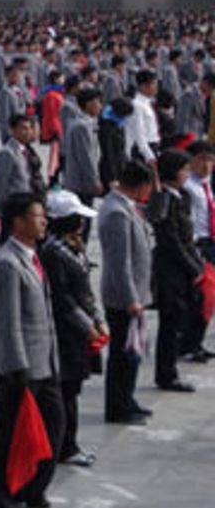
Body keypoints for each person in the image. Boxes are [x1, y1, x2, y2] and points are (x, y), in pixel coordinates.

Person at [0, 193, 62, 508]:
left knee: (53, 425)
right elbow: (8, 322)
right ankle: (0, 496)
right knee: (9, 434)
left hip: (45, 362)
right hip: (23, 366)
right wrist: (18, 367)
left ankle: (32, 487)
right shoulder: (7, 263)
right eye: (37, 215)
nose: (44, 221)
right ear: (17, 221)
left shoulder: (32, 256)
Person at [41, 190, 107, 466]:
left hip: (79, 330)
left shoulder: (71, 247)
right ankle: (64, 446)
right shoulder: (53, 254)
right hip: (66, 333)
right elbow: (63, 298)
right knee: (66, 390)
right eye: (77, 218)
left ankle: (67, 442)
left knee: (72, 389)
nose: (82, 223)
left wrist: (98, 318)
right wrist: (87, 325)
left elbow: (85, 291)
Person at [97, 163, 156, 424]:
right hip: (123, 297)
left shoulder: (126, 207)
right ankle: (117, 406)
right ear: (140, 186)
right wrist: (131, 298)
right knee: (122, 355)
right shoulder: (116, 213)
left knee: (131, 353)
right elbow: (120, 262)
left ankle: (128, 399)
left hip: (136, 293)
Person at [146, 149, 201, 394]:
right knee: (170, 323)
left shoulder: (181, 196)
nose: (187, 174)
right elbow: (171, 240)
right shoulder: (163, 199)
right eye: (184, 169)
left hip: (183, 267)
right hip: (171, 270)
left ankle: (169, 370)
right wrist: (192, 266)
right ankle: (166, 374)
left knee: (178, 320)